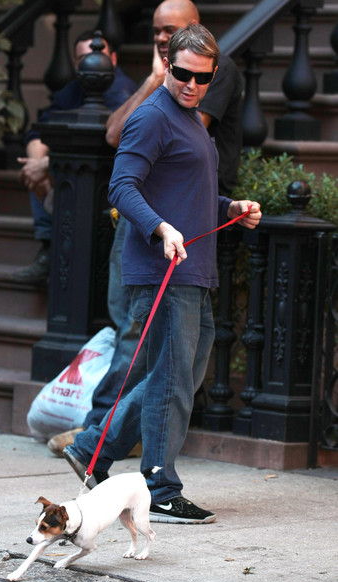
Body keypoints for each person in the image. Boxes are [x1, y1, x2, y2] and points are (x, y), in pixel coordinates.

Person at [63, 23, 261, 524]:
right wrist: (160, 228)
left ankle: (92, 448)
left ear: (213, 75)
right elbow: (122, 187)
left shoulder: (192, 119)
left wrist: (229, 205)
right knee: (172, 381)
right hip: (162, 269)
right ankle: (160, 486)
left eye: (202, 78)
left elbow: (190, 193)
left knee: (173, 378)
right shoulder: (152, 116)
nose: (192, 85)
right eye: (181, 73)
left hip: (193, 270)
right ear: (167, 64)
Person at [13, 30, 138, 284]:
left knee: (54, 170)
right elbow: (40, 130)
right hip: (73, 169)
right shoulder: (73, 89)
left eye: (97, 55)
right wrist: (37, 163)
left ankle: (53, 250)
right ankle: (51, 248)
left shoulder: (122, 91)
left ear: (112, 59)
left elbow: (109, 142)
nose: (89, 63)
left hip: (109, 176)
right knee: (42, 165)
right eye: (82, 58)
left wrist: (47, 164)